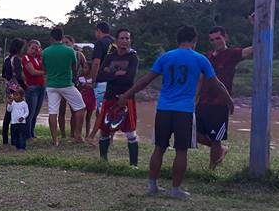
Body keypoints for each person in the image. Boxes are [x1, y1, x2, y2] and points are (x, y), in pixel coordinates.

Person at [116, 25, 233, 198]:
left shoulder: (166, 57)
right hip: (184, 111)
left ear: (177, 41)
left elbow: (145, 80)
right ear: (194, 41)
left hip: (163, 109)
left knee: (159, 148)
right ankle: (176, 189)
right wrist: (229, 101)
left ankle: (152, 185)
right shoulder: (200, 59)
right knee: (181, 150)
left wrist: (126, 95)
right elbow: (216, 83)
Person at [197, 18, 254, 170]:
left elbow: (255, 47)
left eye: (218, 38)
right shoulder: (207, 56)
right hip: (203, 101)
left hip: (220, 103)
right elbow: (201, 78)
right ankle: (222, 150)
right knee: (194, 134)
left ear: (225, 38)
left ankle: (211, 170)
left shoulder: (232, 54)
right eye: (212, 39)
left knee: (216, 138)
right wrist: (196, 97)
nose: (215, 42)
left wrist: (256, 26)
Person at [90, 28, 140, 167]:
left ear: (130, 40)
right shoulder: (110, 57)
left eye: (127, 38)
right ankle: (103, 162)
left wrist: (110, 72)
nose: (124, 41)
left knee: (130, 132)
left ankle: (133, 166)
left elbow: (129, 78)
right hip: (110, 96)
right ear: (116, 41)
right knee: (105, 130)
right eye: (122, 38)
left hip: (127, 98)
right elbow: (100, 76)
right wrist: (118, 73)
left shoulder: (133, 57)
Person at [42, 27, 86, 146]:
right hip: (66, 84)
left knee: (53, 112)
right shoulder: (70, 51)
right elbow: (74, 67)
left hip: (51, 85)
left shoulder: (45, 51)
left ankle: (55, 140)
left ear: (51, 38)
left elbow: (44, 68)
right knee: (81, 107)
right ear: (62, 37)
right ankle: (77, 135)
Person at [1, 38, 26, 146]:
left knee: (8, 114)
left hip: (9, 88)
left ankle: (5, 140)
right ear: (19, 48)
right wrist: (24, 87)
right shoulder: (17, 60)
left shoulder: (6, 59)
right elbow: (19, 77)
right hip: (17, 89)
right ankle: (14, 140)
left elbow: (3, 74)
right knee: (16, 115)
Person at [21, 40, 46, 139]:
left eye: (36, 49)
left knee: (36, 113)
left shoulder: (39, 58)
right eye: (32, 48)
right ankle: (27, 135)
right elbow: (32, 72)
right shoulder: (26, 58)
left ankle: (32, 132)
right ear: (28, 48)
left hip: (41, 87)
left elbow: (45, 67)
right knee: (30, 113)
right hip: (32, 88)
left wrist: (41, 55)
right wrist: (44, 72)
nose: (34, 51)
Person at [90, 21, 115, 112]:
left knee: (101, 110)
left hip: (102, 80)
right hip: (114, 80)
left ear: (99, 31)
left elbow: (96, 63)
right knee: (111, 109)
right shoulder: (115, 42)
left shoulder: (100, 43)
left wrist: (94, 80)